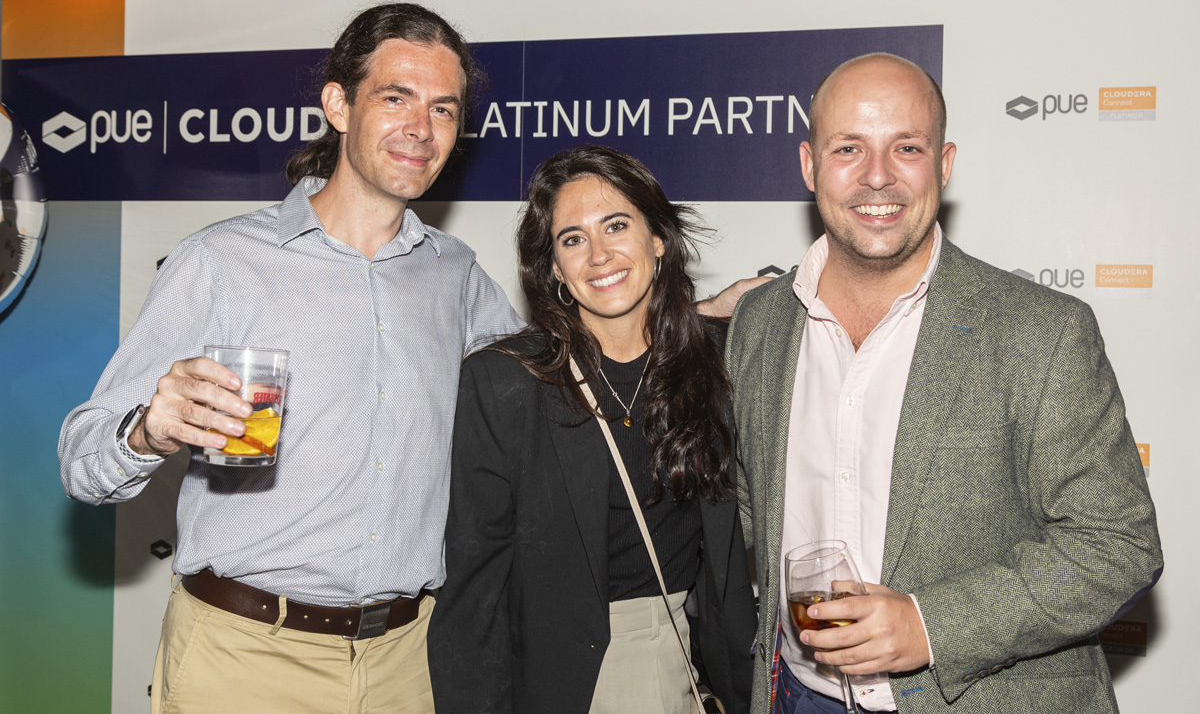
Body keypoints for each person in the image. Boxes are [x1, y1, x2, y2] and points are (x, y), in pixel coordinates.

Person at [57, 2, 523, 714]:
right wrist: (146, 430)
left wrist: (680, 317)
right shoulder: (222, 261)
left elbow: (549, 379)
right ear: (339, 105)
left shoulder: (454, 274)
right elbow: (82, 459)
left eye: (443, 110)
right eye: (395, 98)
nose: (420, 129)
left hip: (408, 663)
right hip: (244, 659)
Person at [726, 53, 1161, 714]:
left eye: (907, 147)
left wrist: (930, 625)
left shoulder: (1041, 332)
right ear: (810, 166)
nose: (877, 175)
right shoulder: (759, 323)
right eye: (848, 148)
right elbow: (742, 518)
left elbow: (1119, 545)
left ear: (944, 164)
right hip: (797, 696)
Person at [428, 145, 757, 714]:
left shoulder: (716, 363)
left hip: (687, 658)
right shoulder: (503, 383)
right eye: (573, 239)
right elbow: (473, 587)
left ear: (658, 239)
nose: (599, 254)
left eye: (617, 226)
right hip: (561, 672)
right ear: (555, 268)